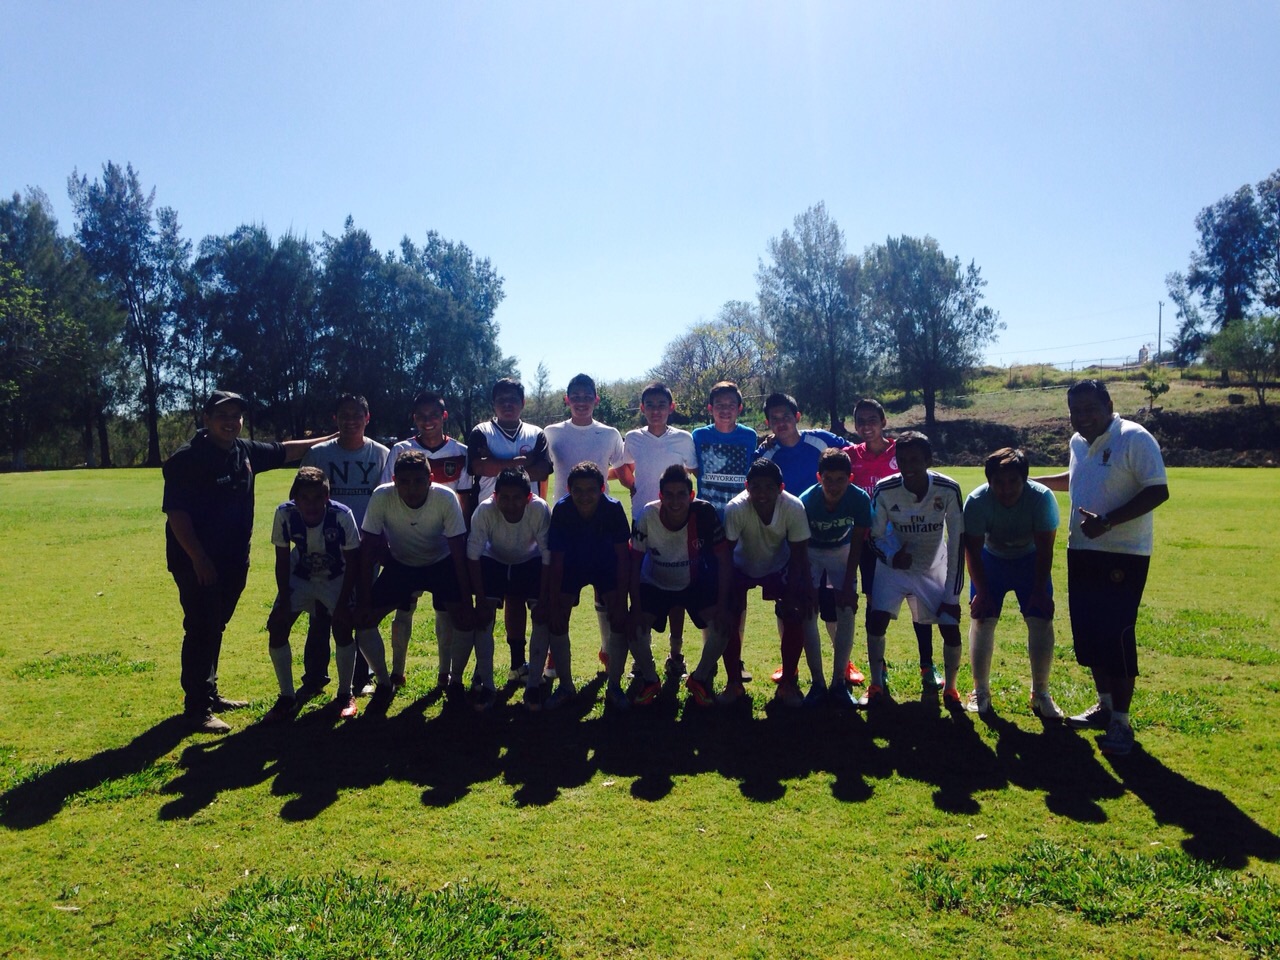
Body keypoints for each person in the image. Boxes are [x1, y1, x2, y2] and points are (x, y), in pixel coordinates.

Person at [162, 389, 334, 733]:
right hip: (197, 561)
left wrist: (334, 437)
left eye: (236, 416)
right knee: (201, 627)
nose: (230, 422)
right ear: (206, 419)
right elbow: (177, 514)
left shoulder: (243, 450)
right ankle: (197, 708)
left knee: (215, 624)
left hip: (233, 560)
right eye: (222, 416)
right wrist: (198, 558)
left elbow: (286, 450)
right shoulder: (188, 459)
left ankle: (209, 692)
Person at [1034, 379, 1169, 756]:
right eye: (1075, 411)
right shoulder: (1078, 443)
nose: (1083, 417)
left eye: (1090, 408)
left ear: (1109, 405)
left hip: (1123, 555)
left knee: (1117, 636)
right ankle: (1105, 706)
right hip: (1082, 550)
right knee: (1090, 633)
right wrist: (1032, 483)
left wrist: (1108, 522)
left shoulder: (1134, 437)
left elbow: (1158, 489)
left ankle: (1121, 723)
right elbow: (1075, 479)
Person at [756, 392, 863, 688]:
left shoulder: (820, 440)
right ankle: (789, 661)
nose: (781, 423)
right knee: (788, 601)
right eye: (774, 419)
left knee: (829, 602)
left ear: (797, 417)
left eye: (786, 417)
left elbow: (853, 454)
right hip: (788, 537)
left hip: (828, 537)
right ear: (768, 422)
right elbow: (757, 480)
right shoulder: (768, 452)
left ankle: (844, 662)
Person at [353, 450, 473, 705]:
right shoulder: (382, 496)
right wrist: (363, 599)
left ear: (430, 479)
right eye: (404, 482)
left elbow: (458, 551)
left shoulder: (445, 497)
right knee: (364, 621)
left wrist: (465, 600)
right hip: (402, 565)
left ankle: (455, 681)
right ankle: (384, 682)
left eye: (419, 481)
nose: (412, 488)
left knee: (463, 619)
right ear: (394, 481)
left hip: (441, 564)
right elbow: (368, 549)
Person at [864, 431, 965, 710]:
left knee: (950, 625)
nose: (908, 466)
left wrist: (953, 596)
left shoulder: (948, 488)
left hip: (933, 567)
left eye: (915, 460)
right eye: (902, 460)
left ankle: (951, 688)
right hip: (894, 567)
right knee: (877, 621)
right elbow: (874, 537)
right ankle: (876, 683)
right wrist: (892, 556)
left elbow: (957, 543)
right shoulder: (885, 489)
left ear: (928, 460)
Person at [298, 393, 390, 699]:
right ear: (335, 419)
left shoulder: (381, 454)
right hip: (324, 550)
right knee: (320, 614)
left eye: (357, 415)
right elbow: (299, 500)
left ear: (367, 418)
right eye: (344, 415)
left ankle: (360, 678)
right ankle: (314, 677)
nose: (351, 420)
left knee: (361, 610)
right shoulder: (318, 454)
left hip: (365, 548)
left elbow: (388, 501)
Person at [381, 391, 474, 690]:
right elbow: (388, 495)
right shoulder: (400, 450)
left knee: (445, 612)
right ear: (414, 418)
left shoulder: (461, 451)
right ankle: (397, 671)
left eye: (433, 414)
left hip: (445, 549)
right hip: (406, 545)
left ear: (444, 416)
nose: (427, 421)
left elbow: (464, 500)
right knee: (404, 608)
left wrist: (459, 541)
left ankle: (445, 673)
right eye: (421, 416)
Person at [962, 447, 1063, 720]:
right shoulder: (977, 501)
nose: (1006, 489)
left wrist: (1039, 590)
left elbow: (1046, 549)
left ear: (1025, 480)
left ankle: (1041, 692)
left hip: (1029, 559)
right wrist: (982, 592)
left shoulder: (1041, 498)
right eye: (999, 482)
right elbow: (972, 550)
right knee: (982, 618)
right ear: (989, 481)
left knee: (1040, 618)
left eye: (1013, 482)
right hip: (991, 560)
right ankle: (980, 691)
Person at [623, 464, 733, 710]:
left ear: (691, 495)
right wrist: (636, 609)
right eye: (669, 495)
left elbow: (724, 558)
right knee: (634, 627)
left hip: (694, 584)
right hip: (655, 584)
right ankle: (650, 679)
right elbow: (634, 564)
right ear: (660, 496)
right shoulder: (647, 515)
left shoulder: (704, 513)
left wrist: (723, 605)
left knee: (723, 626)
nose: (675, 501)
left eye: (681, 494)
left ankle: (699, 679)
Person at [844, 398, 935, 693]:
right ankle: (878, 668)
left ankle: (927, 665)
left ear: (884, 421)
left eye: (872, 419)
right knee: (875, 603)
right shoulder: (850, 455)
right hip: (871, 542)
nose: (866, 426)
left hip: (910, 537)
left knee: (918, 601)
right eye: (860, 421)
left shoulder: (902, 452)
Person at [467, 378, 552, 681]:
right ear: (493, 403)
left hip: (527, 520)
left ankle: (518, 664)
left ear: (522, 403)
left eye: (513, 399)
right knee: (488, 604)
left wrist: (499, 464)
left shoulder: (535, 433)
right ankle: (482, 671)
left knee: (517, 599)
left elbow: (543, 469)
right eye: (501, 399)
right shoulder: (482, 431)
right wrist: (520, 464)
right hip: (492, 519)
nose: (507, 404)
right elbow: (478, 466)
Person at [263, 467, 363, 721]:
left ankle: (345, 694)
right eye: (304, 498)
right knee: (277, 626)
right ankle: (287, 697)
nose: (311, 504)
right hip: (301, 577)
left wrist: (343, 604)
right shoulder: (284, 514)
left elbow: (353, 561)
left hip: (335, 577)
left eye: (318, 497)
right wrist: (284, 600)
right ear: (295, 498)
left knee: (342, 627)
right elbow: (282, 560)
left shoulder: (342, 515)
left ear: (327, 496)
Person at [543, 373, 625, 669]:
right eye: (575, 397)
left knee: (605, 591)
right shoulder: (551, 433)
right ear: (567, 400)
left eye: (586, 396)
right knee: (561, 589)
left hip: (601, 520)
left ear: (596, 399)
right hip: (565, 520)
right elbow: (543, 470)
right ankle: (554, 655)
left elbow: (620, 468)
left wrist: (632, 487)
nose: (581, 402)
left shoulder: (610, 433)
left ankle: (607, 650)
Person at [617, 381, 698, 677]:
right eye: (650, 405)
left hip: (677, 524)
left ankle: (676, 654)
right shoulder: (633, 438)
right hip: (643, 522)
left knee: (676, 590)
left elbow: (694, 471)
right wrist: (633, 486)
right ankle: (643, 657)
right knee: (642, 587)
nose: (655, 410)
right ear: (642, 408)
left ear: (671, 408)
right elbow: (624, 466)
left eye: (661, 405)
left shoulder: (684, 439)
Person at [720, 459, 815, 707]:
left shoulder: (793, 507)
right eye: (756, 487)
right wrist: (725, 597)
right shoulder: (735, 508)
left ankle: (788, 683)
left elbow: (799, 554)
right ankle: (733, 682)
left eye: (769, 487)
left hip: (778, 565)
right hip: (741, 565)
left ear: (781, 488)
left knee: (794, 614)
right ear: (746, 486)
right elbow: (726, 555)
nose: (762, 494)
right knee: (729, 616)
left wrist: (795, 594)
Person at [544, 461, 631, 710]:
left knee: (618, 618)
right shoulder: (562, 510)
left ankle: (614, 685)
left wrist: (621, 600)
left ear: (602, 489)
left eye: (591, 490)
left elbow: (622, 556)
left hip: (604, 565)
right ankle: (566, 686)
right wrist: (554, 602)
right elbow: (557, 560)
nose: (584, 496)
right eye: (578, 490)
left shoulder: (613, 509)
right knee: (558, 618)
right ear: (569, 490)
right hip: (572, 566)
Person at [466, 467, 552, 711]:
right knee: (484, 619)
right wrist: (480, 599)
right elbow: (473, 555)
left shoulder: (539, 509)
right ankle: (486, 684)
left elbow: (548, 555)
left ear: (528, 497)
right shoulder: (484, 510)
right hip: (493, 559)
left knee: (541, 617)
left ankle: (533, 685)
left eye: (517, 498)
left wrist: (544, 598)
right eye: (504, 497)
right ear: (495, 496)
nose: (511, 504)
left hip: (530, 560)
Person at [692, 381, 760, 683]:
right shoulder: (698, 435)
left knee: (737, 595)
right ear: (710, 408)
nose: (725, 409)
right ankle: (710, 658)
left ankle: (737, 656)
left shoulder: (749, 436)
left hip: (739, 523)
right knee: (710, 593)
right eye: (719, 404)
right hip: (708, 524)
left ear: (740, 408)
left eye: (731, 404)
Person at [797, 448, 872, 708]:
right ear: (819, 477)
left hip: (842, 550)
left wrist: (848, 584)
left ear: (850, 478)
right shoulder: (806, 501)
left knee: (847, 610)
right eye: (828, 479)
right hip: (811, 550)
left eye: (840, 480)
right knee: (808, 612)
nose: (834, 486)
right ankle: (817, 682)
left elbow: (858, 541)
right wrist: (809, 587)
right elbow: (799, 545)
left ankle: (838, 681)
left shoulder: (859, 498)